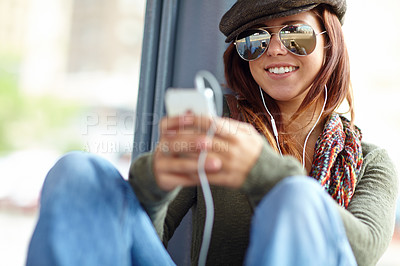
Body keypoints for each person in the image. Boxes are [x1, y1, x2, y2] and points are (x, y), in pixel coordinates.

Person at [26, 0, 398, 265]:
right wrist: (155, 183)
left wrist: (264, 174)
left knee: (297, 199)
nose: (274, 50)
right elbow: (137, 237)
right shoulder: (220, 128)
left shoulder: (371, 161)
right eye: (254, 41)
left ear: (329, 40)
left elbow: (360, 254)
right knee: (78, 172)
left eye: (295, 34)